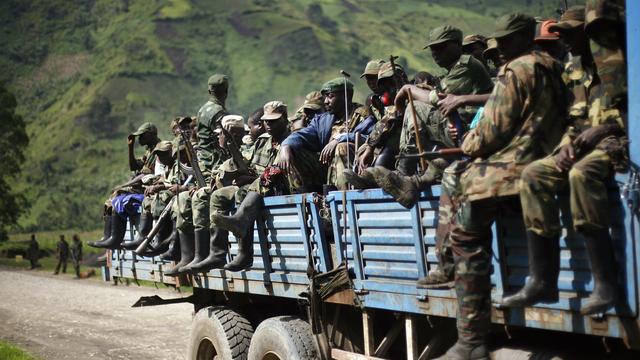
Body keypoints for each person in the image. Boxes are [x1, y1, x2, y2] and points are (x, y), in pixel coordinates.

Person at [434, 13, 568, 359]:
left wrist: (466, 144)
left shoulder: (516, 71)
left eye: (505, 41)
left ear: (523, 38)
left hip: (513, 169)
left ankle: (471, 338)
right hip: (547, 161)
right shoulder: (553, 67)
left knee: (465, 233)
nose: (500, 49)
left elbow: (489, 131)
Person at [500, 4, 627, 316]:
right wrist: (567, 143)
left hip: (617, 144)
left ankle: (605, 283)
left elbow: (627, 116)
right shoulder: (572, 70)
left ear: (588, 32)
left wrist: (602, 130)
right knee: (533, 174)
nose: (565, 40)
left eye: (571, 33)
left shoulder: (618, 62)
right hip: (584, 145)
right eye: (562, 35)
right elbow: (574, 119)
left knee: (581, 175)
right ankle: (543, 278)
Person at [178, 101, 293, 274]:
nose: (268, 125)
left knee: (242, 192)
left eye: (273, 121)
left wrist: (250, 178)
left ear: (284, 119)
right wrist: (233, 162)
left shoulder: (291, 141)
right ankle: (217, 253)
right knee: (217, 196)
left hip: (274, 188)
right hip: (254, 184)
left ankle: (244, 254)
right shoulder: (263, 142)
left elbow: (278, 173)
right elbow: (248, 163)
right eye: (266, 121)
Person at [280, 78, 374, 191]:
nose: (325, 101)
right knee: (294, 150)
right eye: (325, 97)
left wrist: (339, 139)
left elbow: (371, 139)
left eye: (330, 96)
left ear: (346, 96)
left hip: (355, 169)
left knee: (342, 147)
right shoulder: (323, 120)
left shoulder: (362, 115)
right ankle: (304, 196)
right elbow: (302, 135)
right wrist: (286, 146)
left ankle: (344, 196)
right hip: (325, 170)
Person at [90, 122, 161, 248]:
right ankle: (110, 237)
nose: (140, 138)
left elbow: (144, 175)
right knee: (112, 200)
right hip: (143, 185)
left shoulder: (159, 149)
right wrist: (130, 147)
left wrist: (124, 185)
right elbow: (134, 166)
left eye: (142, 135)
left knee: (118, 195)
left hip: (151, 185)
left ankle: (115, 239)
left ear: (151, 134)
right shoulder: (149, 151)